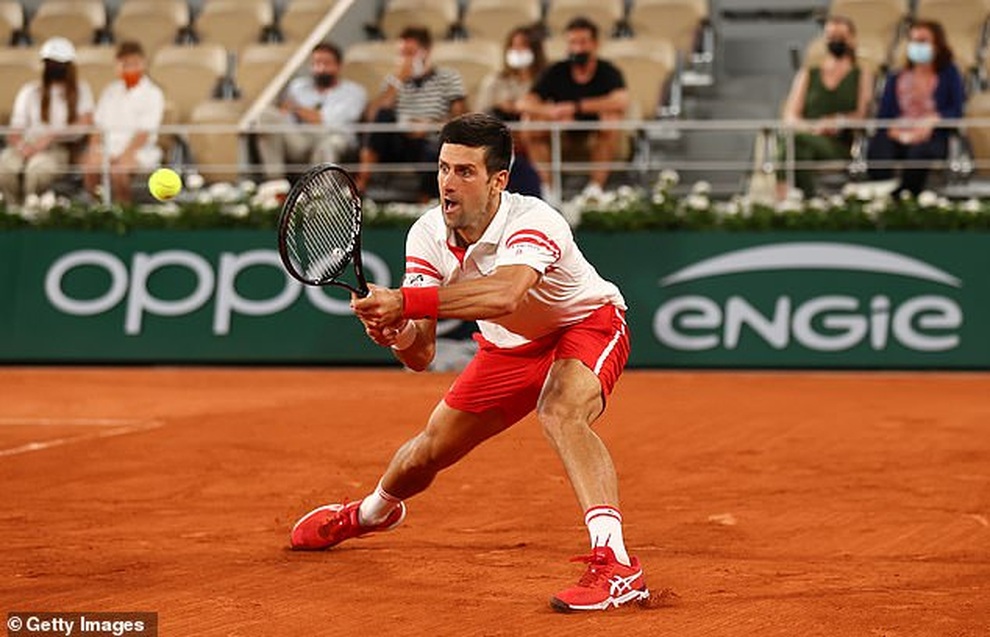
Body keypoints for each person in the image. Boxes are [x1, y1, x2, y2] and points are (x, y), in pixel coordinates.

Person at [290, 112, 649, 613]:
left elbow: (505, 294)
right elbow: (421, 355)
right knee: (426, 452)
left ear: (498, 180)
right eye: (442, 169)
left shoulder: (533, 219)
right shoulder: (426, 234)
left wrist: (404, 304)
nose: (448, 183)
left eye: (464, 171)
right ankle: (370, 514)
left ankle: (616, 565)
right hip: (508, 348)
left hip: (584, 325)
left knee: (560, 410)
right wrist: (394, 332)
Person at [518, 16, 629, 199]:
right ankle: (548, 190)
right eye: (573, 42)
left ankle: (595, 189)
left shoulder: (608, 71)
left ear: (595, 44)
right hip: (560, 127)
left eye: (583, 42)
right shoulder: (557, 70)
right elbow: (525, 103)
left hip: (594, 126)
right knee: (530, 124)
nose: (577, 48)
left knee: (612, 119)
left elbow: (621, 100)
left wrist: (576, 107)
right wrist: (552, 112)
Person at [354, 25, 467, 201]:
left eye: (411, 53)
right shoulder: (394, 80)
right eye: (402, 53)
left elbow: (460, 116)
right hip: (398, 138)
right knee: (383, 116)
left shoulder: (448, 77)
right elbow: (373, 116)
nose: (405, 59)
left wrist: (428, 125)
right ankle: (360, 186)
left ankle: (425, 203)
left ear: (426, 52)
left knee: (434, 151)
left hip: (429, 138)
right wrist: (398, 80)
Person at [778, 15, 874, 197]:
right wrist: (815, 127)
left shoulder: (862, 74)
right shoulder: (808, 73)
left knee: (791, 145)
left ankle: (790, 196)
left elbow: (861, 115)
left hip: (837, 144)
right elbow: (790, 116)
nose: (835, 41)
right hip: (807, 135)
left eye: (840, 36)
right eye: (831, 36)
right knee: (798, 147)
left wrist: (836, 121)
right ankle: (810, 197)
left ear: (852, 39)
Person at [867, 19, 965, 196]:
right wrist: (895, 131)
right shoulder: (895, 77)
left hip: (931, 134)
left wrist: (934, 120)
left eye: (922, 41)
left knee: (919, 153)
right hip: (898, 133)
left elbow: (956, 110)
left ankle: (905, 197)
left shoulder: (950, 74)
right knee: (879, 148)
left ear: (936, 44)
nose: (916, 46)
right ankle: (881, 195)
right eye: (913, 41)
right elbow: (884, 115)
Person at [0, 36, 94, 204]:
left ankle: (32, 212)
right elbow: (16, 128)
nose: (53, 68)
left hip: (58, 148)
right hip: (26, 144)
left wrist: (51, 136)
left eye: (58, 64)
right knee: (5, 168)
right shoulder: (29, 91)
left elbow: (85, 124)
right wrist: (23, 147)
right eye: (49, 63)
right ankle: (13, 210)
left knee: (37, 170)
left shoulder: (82, 90)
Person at [255, 42, 367, 181]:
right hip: (301, 138)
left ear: (339, 66)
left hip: (334, 137)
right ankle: (276, 184)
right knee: (266, 115)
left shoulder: (354, 91)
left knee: (329, 145)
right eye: (316, 63)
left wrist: (297, 108)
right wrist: (293, 113)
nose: (320, 68)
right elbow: (286, 116)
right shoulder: (297, 87)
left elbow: (325, 120)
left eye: (326, 63)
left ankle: (319, 197)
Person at [81, 40, 165, 204]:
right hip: (108, 147)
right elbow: (98, 127)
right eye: (125, 64)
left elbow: (144, 133)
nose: (129, 68)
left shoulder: (153, 94)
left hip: (139, 151)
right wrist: (94, 150)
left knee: (118, 171)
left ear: (143, 64)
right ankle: (98, 209)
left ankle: (123, 213)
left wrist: (122, 156)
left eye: (134, 64)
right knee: (90, 166)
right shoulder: (110, 91)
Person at [475, 24, 546, 197]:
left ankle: (546, 189)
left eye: (523, 46)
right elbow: (479, 115)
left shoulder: (545, 80)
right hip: (500, 137)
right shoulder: (495, 81)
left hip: (538, 137)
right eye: (513, 46)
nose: (517, 51)